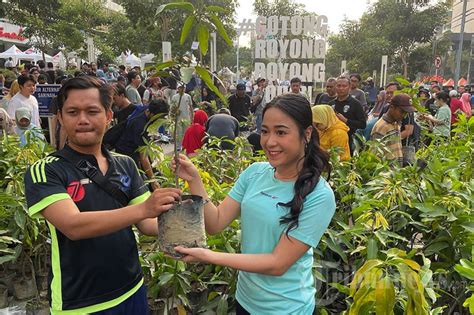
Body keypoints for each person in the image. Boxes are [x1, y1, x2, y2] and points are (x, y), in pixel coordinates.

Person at [24, 76, 181, 314]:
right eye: (73, 112)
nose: (83, 120)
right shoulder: (47, 170)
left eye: (92, 111)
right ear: (61, 118)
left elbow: (147, 224)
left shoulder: (125, 164)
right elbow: (73, 226)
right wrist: (144, 208)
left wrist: (188, 216)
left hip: (132, 289)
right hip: (81, 302)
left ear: (109, 116)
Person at [172, 93, 336, 314]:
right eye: (265, 131)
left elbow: (278, 263)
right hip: (246, 299)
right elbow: (216, 223)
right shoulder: (255, 173)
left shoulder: (319, 195)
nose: (269, 141)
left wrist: (209, 256)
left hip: (286, 307)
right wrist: (194, 180)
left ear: (306, 134)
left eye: (281, 132)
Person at [371, 93, 416, 165]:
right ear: (392, 107)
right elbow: (375, 155)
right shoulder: (381, 127)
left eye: (405, 113)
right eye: (402, 112)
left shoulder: (396, 123)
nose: (404, 116)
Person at [328, 76, 366, 155]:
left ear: (349, 87)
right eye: (339, 86)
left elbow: (363, 124)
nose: (341, 88)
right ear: (335, 87)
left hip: (349, 141)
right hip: (331, 141)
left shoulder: (356, 104)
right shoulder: (331, 104)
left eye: (344, 86)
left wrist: (346, 121)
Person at [170, 83, 193, 151]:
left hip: (186, 117)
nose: (182, 89)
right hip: (178, 117)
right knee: (178, 132)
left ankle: (185, 146)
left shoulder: (188, 96)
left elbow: (191, 107)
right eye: (180, 88)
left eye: (183, 88)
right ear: (178, 88)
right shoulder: (175, 97)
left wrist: (192, 116)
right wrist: (173, 115)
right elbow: (172, 108)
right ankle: (178, 146)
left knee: (186, 132)